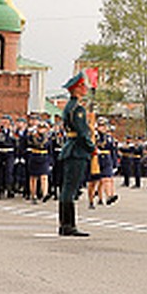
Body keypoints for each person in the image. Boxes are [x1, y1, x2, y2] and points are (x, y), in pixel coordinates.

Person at [58, 73, 95, 235]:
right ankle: (68, 225)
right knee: (70, 190)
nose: (86, 88)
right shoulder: (77, 109)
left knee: (68, 189)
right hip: (76, 150)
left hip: (71, 148)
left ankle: (65, 224)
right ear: (78, 88)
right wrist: (91, 146)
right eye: (83, 86)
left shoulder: (70, 106)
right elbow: (81, 132)